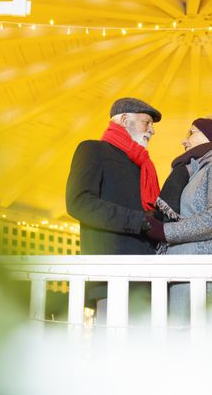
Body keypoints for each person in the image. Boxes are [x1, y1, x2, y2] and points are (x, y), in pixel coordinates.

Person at [66, 97, 163, 317]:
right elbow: (78, 202)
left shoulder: (143, 165)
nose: (152, 130)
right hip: (111, 276)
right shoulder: (93, 150)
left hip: (147, 276)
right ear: (124, 119)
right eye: (146, 122)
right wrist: (139, 221)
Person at [144, 115, 212, 324]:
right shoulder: (195, 172)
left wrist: (164, 231)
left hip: (209, 270)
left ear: (211, 136)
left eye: (191, 132)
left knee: (208, 338)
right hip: (186, 269)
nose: (184, 140)